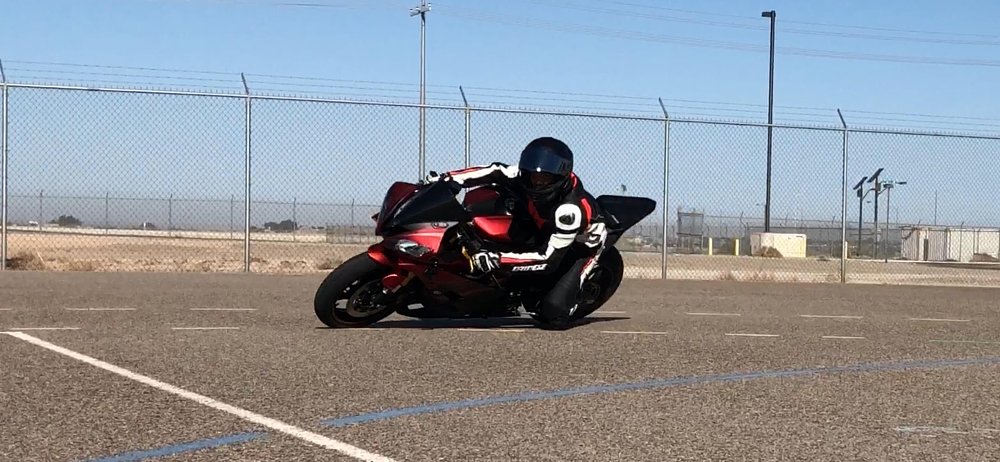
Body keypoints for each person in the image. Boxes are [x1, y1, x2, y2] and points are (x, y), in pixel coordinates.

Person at [424, 136, 608, 329]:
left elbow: (548, 259)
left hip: (579, 246)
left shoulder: (569, 211)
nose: (536, 182)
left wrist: (496, 258)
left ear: (560, 176)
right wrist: (448, 179)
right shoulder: (521, 176)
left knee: (552, 314)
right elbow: (494, 170)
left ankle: (572, 297)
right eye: (532, 176)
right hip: (540, 224)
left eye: (544, 178)